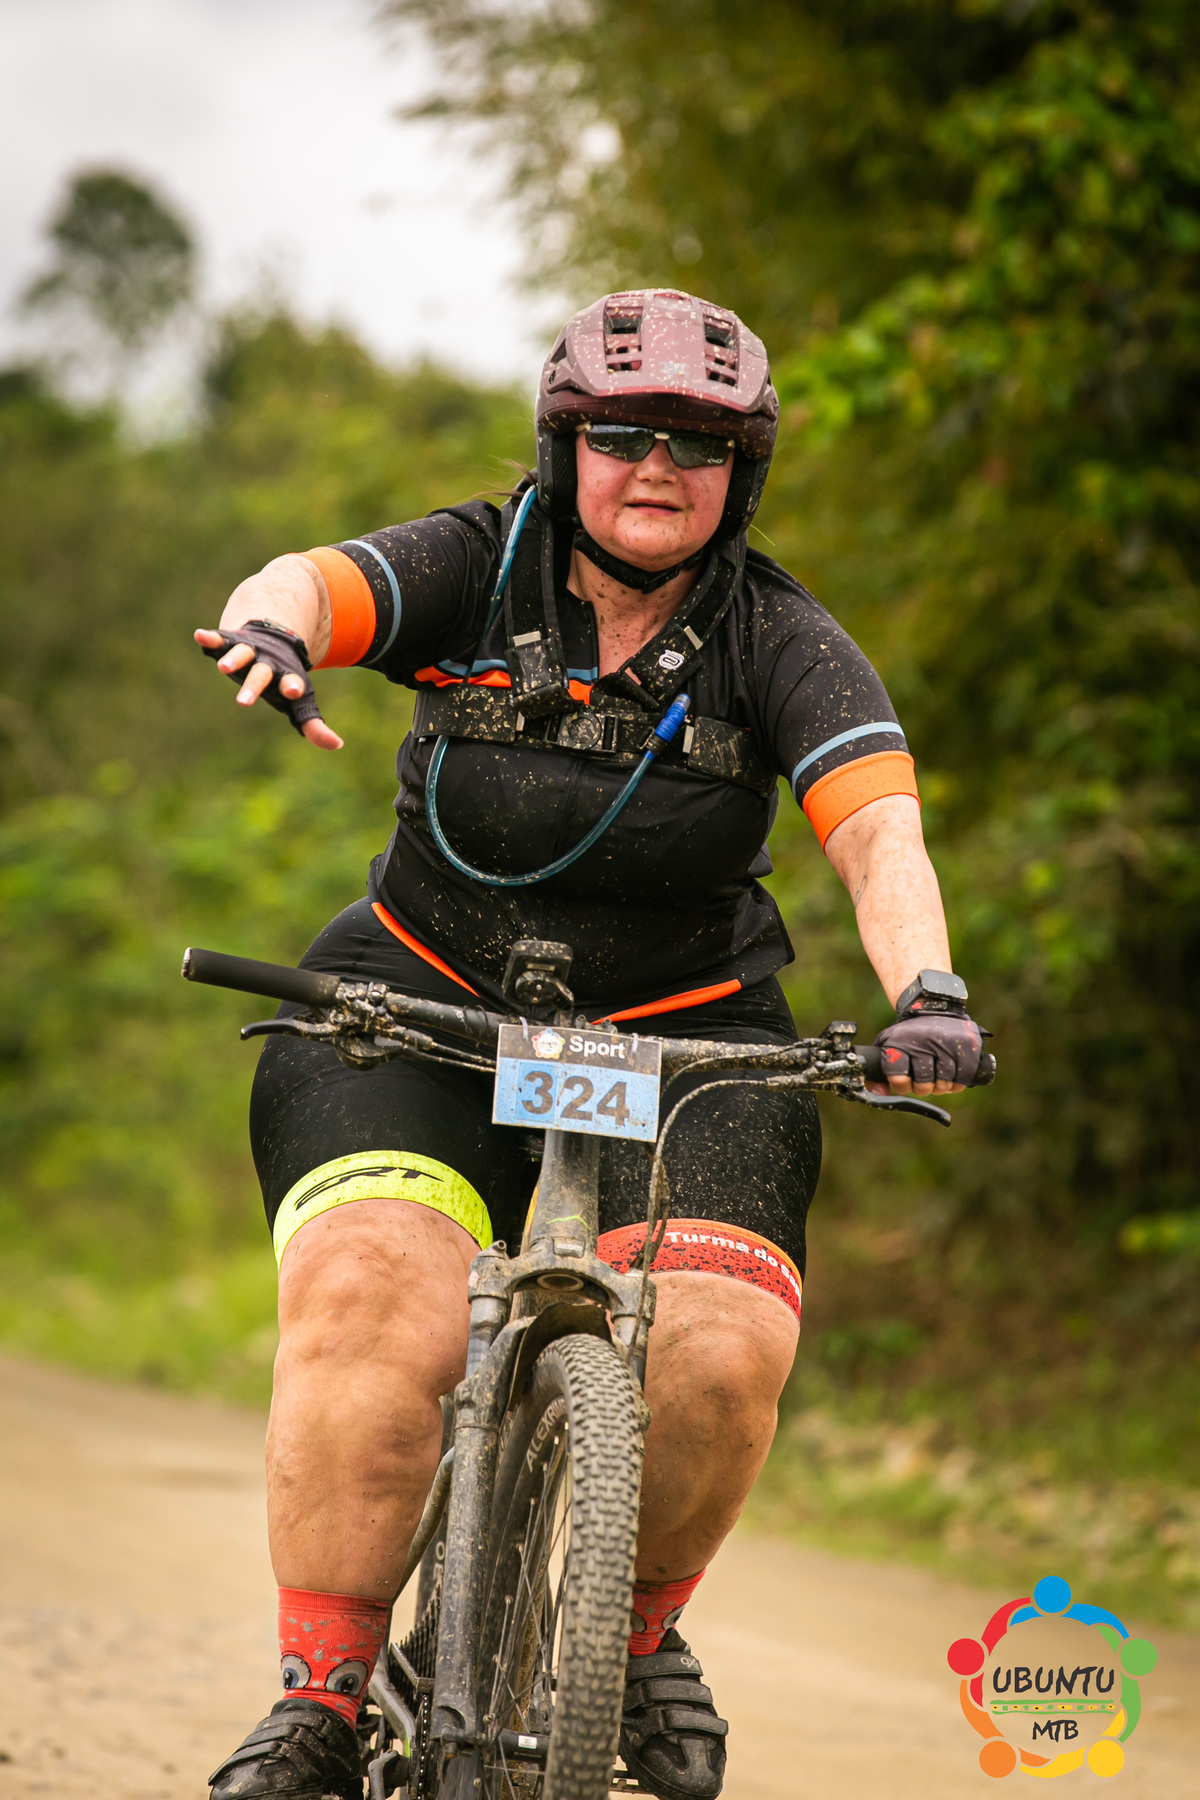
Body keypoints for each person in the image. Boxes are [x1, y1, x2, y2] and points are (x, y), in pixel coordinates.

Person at [197, 289, 986, 1800]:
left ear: (742, 473)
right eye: (622, 436)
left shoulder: (781, 638)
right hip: (418, 1008)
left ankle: (624, 1637)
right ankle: (323, 1694)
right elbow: (312, 581)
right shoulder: (473, 565)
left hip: (684, 1041)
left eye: (699, 446)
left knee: (720, 1351)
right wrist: (272, 630)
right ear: (565, 448)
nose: (657, 468)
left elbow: (879, 831)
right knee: (373, 1309)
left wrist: (930, 994)